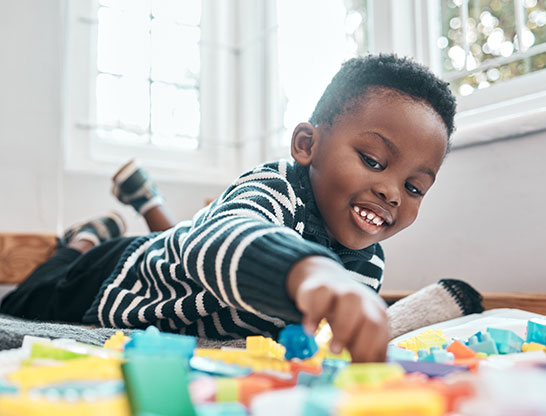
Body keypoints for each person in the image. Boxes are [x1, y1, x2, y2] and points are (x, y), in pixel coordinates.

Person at [1, 54, 461, 362]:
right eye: (373, 161)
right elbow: (224, 237)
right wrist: (312, 273)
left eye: (415, 187)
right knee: (26, 300)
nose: (392, 192)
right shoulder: (276, 189)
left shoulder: (369, 264)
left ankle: (99, 229)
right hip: (111, 283)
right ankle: (85, 239)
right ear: (307, 145)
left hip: (192, 321)